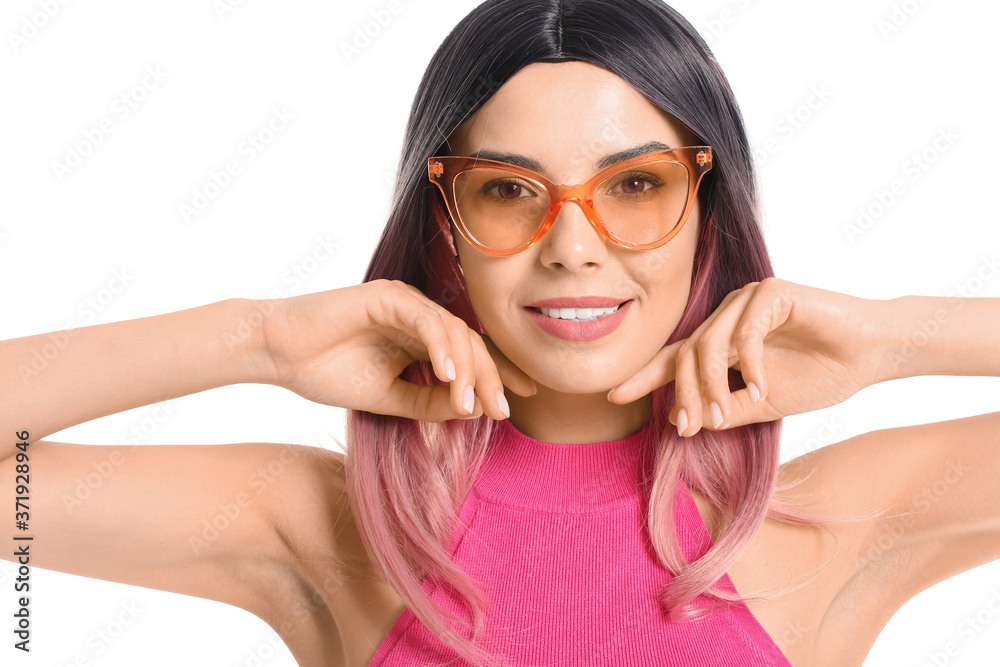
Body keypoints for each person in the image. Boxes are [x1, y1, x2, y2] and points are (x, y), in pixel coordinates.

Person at [1, 1, 997, 666]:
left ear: (708, 209)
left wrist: (893, 339)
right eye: (511, 191)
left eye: (636, 185)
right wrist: (256, 340)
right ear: (444, 226)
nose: (573, 246)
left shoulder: (845, 517)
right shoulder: (329, 525)